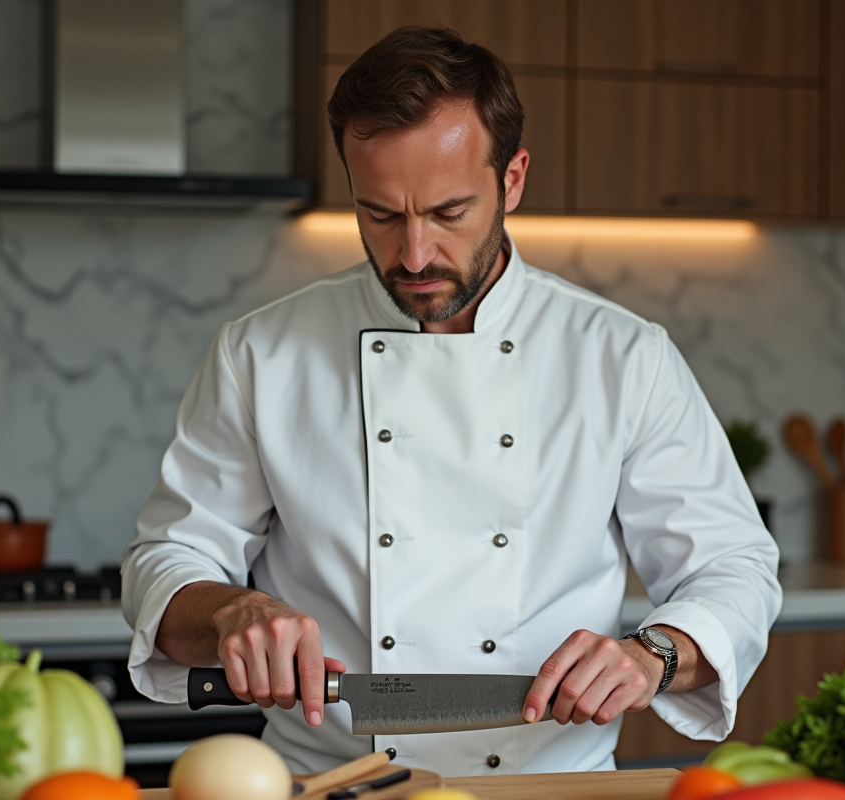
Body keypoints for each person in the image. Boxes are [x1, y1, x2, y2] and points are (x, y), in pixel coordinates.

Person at [122, 25, 781, 777]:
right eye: (379, 214)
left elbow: (732, 567)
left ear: (514, 180)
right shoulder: (261, 354)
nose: (413, 254)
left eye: (448, 213)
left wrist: (656, 655)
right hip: (330, 785)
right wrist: (233, 614)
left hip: (550, 791)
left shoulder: (623, 357)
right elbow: (166, 559)